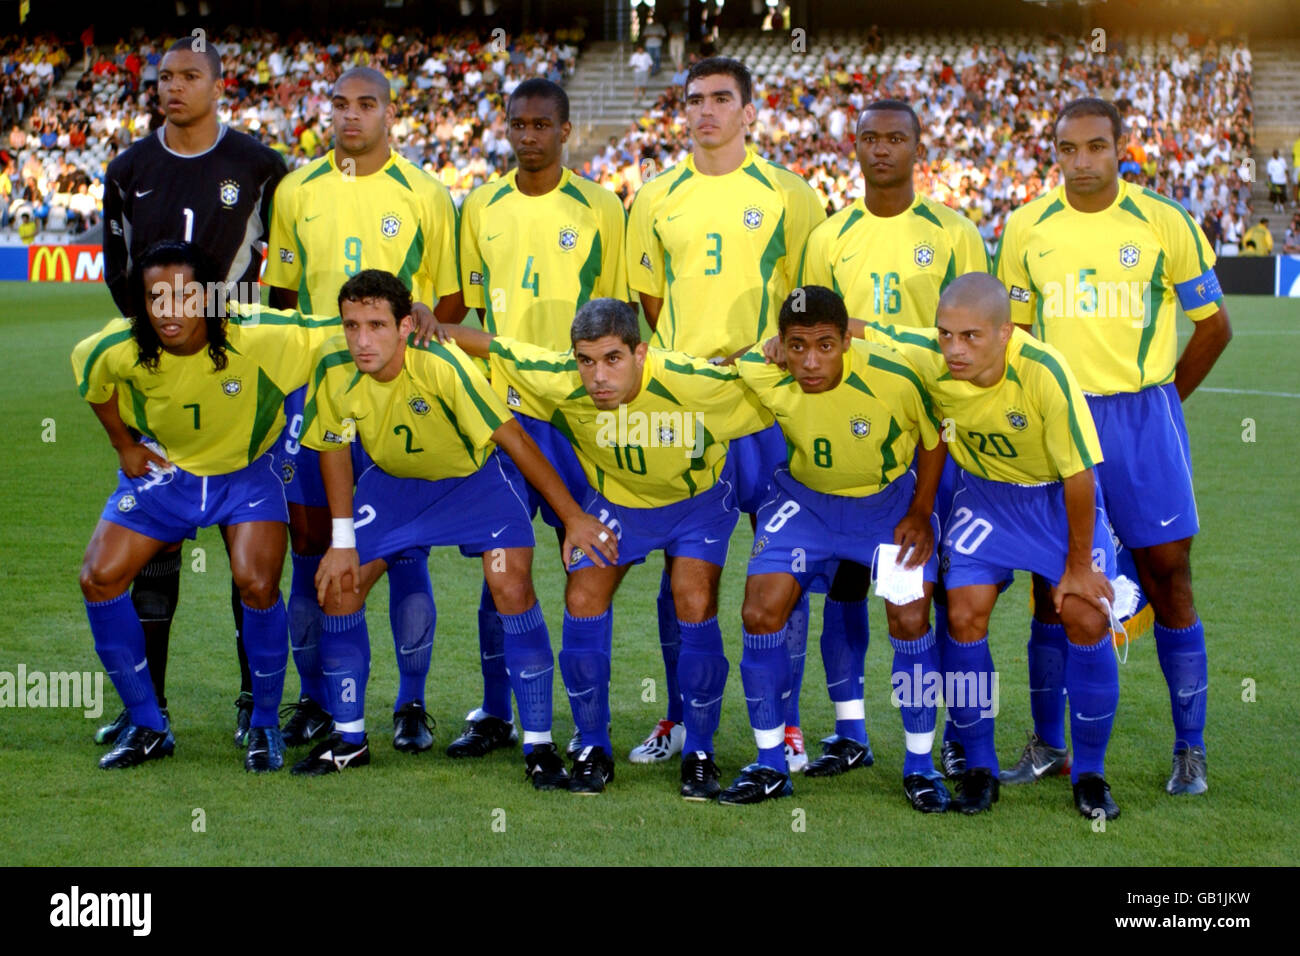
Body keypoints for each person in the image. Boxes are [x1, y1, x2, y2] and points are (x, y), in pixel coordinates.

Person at [291, 270, 614, 783]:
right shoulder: (333, 366)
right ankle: (349, 738)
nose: (361, 340)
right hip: (393, 486)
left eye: (376, 325)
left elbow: (512, 438)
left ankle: (537, 743)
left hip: (476, 485)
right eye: (352, 326)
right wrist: (342, 540)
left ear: (404, 326)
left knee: (510, 585)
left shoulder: (441, 362)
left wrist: (572, 518)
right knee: (339, 589)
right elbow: (332, 448)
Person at [438, 299, 772, 796]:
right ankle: (594, 745)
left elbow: (764, 372)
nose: (597, 376)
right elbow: (484, 343)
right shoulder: (557, 378)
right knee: (582, 598)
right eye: (586, 360)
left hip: (696, 503)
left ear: (640, 352)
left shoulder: (693, 381)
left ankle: (700, 751)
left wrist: (779, 347)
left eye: (612, 359)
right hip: (617, 501)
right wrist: (424, 320)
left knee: (693, 598)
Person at [996, 98, 1231, 796]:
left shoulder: (1164, 220)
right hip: (1059, 425)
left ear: (1120, 148)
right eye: (1069, 149)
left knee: (1168, 577)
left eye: (1097, 147)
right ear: (1055, 154)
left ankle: (1190, 749)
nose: (1083, 161)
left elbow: (1214, 326)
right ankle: (1047, 744)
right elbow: (1016, 339)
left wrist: (1161, 404)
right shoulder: (1026, 227)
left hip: (1141, 421)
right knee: (1050, 585)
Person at [626, 56, 825, 769]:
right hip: (687, 408)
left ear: (749, 111)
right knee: (684, 566)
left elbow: (809, 306)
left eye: (720, 99)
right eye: (694, 100)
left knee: (783, 565)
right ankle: (680, 717)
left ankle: (790, 726)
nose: (705, 111)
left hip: (770, 406)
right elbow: (650, 303)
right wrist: (693, 360)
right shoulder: (653, 198)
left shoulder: (790, 196)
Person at [72, 240, 339, 772]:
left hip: (245, 474)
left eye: (185, 296)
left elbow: (341, 327)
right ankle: (148, 724)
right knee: (99, 577)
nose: (170, 311)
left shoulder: (260, 332)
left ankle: (264, 724)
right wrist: (123, 444)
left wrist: (416, 317)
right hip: (167, 471)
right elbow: (92, 378)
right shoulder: (119, 346)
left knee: (257, 583)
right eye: (156, 298)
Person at [867, 274, 1122, 819]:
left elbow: (1081, 475)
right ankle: (979, 766)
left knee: (1085, 616)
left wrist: (1078, 566)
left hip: (1056, 500)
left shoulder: (1045, 372)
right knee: (963, 614)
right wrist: (772, 343)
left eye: (970, 337)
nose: (954, 350)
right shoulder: (928, 357)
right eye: (945, 335)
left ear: (1006, 333)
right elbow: (857, 331)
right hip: (987, 501)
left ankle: (1092, 772)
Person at [261, 66, 462, 755]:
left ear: (389, 112)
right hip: (312, 398)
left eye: (366, 104)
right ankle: (318, 700)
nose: (352, 116)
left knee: (403, 549)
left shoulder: (426, 194)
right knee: (312, 547)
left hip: (398, 397)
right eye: (340, 104)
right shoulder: (295, 190)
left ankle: (410, 704)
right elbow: (281, 299)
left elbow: (452, 309)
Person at [98, 36, 287, 750]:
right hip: (159, 383)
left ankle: (252, 702)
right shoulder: (128, 168)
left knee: (255, 566)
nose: (173, 88)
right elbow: (121, 278)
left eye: (188, 77)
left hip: (239, 378)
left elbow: (284, 268)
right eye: (163, 78)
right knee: (152, 557)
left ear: (218, 84)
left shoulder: (260, 166)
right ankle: (150, 712)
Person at [798, 98, 989, 780]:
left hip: (936, 433)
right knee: (846, 584)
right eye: (870, 138)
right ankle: (850, 732)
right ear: (854, 145)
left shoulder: (953, 230)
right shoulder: (829, 235)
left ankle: (956, 737)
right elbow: (812, 338)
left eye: (896, 138)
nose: (882, 149)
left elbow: (978, 332)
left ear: (918, 146)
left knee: (935, 596)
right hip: (853, 437)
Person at [449, 77, 628, 759]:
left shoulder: (601, 207)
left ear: (564, 130)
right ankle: (497, 711)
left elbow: (617, 315)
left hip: (580, 414)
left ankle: (590, 730)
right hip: (504, 413)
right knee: (501, 564)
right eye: (517, 124)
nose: (528, 136)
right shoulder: (481, 205)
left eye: (540, 125)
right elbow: (472, 311)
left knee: (590, 566)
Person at [730, 286, 949, 811]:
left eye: (825, 345)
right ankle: (769, 763)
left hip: (885, 504)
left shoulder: (892, 375)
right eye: (797, 345)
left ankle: (921, 765)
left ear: (847, 340)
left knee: (911, 616)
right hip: (805, 504)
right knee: (761, 612)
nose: (810, 361)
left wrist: (919, 512)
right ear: (781, 343)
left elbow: (934, 436)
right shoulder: (766, 370)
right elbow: (725, 366)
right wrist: (759, 348)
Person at [1267, 149, 1287, 214]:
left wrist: (1288, 178)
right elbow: (1269, 173)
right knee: (1274, 195)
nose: (1276, 154)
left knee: (1282, 195)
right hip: (1274, 181)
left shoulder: (1282, 160)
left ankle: (1282, 206)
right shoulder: (1270, 162)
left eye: (1277, 153)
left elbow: (1286, 169)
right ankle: (1275, 206)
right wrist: (1269, 182)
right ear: (1273, 154)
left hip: (1282, 180)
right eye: (1274, 153)